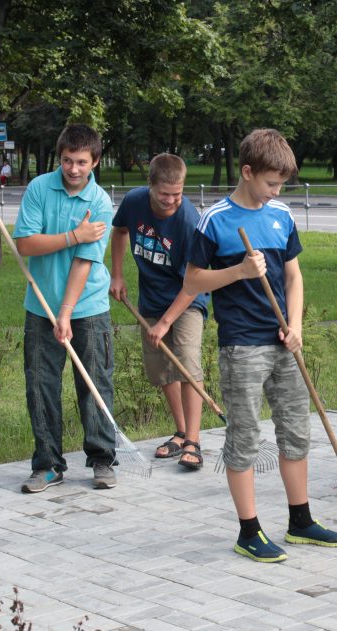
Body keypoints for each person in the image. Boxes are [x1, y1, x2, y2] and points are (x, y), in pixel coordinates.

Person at [184, 128, 337, 563]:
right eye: (271, 183)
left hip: (284, 343)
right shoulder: (215, 219)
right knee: (246, 436)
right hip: (242, 346)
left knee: (296, 430)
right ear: (247, 172)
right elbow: (193, 281)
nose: (276, 192)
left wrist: (296, 326)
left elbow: (294, 277)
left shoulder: (281, 216)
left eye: (281, 185)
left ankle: (301, 520)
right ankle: (249, 530)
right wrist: (238, 270)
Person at [14, 124, 117, 493]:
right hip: (40, 307)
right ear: (60, 158)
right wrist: (74, 236)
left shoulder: (100, 202)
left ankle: (103, 458)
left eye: (82, 162)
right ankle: (48, 465)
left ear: (95, 162)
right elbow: (26, 244)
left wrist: (67, 312)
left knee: (94, 383)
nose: (73, 169)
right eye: (67, 161)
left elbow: (84, 262)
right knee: (40, 385)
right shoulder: (40, 188)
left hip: (87, 307)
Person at [109, 153, 209, 469]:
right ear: (150, 185)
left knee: (187, 363)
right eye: (164, 194)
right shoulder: (135, 202)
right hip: (152, 299)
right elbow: (120, 231)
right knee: (162, 366)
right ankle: (180, 432)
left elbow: (193, 283)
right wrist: (117, 274)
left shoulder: (188, 221)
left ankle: (194, 441)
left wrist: (166, 322)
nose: (170, 201)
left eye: (177, 194)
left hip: (187, 298)